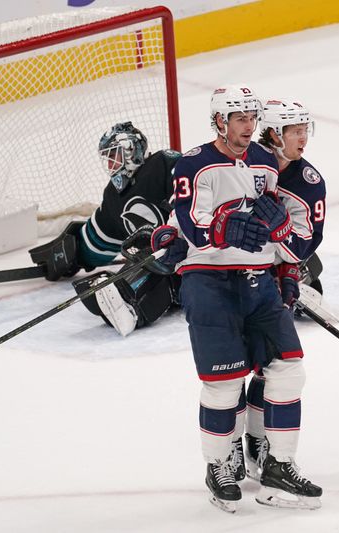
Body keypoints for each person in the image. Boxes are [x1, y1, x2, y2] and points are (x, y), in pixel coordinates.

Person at [171, 84, 322, 512]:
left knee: (289, 369)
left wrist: (280, 242)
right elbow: (192, 225)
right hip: (209, 280)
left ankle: (278, 464)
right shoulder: (194, 164)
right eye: (239, 119)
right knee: (223, 383)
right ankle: (218, 465)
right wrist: (224, 226)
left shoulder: (263, 163)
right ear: (220, 121)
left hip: (258, 280)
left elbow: (276, 224)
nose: (248, 127)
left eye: (252, 119)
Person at [239, 98, 327, 481]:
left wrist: (289, 267)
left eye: (305, 129)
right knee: (227, 371)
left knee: (272, 364)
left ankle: (258, 442)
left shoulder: (309, 182)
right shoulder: (242, 163)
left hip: (270, 282)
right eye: (295, 131)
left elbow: (304, 244)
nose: (303, 138)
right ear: (275, 133)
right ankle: (226, 450)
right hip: (224, 276)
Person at [28, 121, 185, 336]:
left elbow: (192, 198)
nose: (111, 163)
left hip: (187, 255)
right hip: (158, 261)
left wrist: (176, 231)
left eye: (114, 155)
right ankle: (119, 297)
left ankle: (129, 306)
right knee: (144, 260)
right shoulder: (114, 197)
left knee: (153, 262)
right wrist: (73, 252)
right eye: (107, 158)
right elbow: (100, 236)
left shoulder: (164, 163)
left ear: (132, 150)